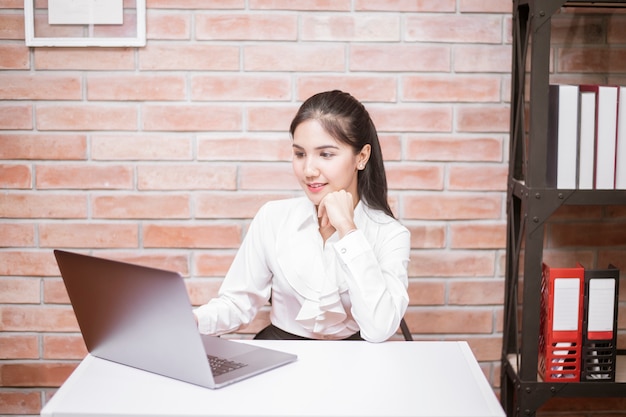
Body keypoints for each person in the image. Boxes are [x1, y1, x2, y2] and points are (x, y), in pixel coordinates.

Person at [193, 90, 410, 343]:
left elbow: (380, 328)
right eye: (299, 154)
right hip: (281, 348)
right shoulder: (273, 217)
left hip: (356, 358)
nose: (308, 170)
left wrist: (348, 230)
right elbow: (238, 303)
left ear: (361, 157)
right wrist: (192, 321)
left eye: (326, 154)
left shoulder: (389, 233)